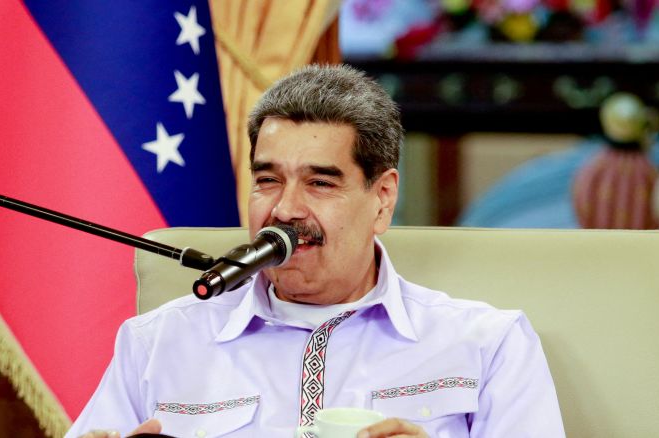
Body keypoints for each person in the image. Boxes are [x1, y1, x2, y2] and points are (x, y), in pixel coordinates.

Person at [67, 64, 565, 438]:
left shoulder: (488, 343)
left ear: (382, 199)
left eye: (320, 183)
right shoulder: (156, 342)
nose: (285, 208)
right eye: (268, 180)